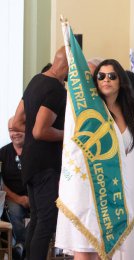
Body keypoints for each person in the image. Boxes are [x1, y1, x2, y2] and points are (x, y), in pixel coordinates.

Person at [55, 59, 134, 259]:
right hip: (92, 188)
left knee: (109, 252)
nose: (105, 80)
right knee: (86, 249)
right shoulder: (92, 112)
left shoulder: (132, 115)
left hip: (118, 191)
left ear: (121, 81)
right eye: (100, 76)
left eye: (111, 76)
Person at [12, 46, 68, 260]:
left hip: (29, 162)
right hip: (46, 164)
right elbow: (40, 130)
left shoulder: (36, 80)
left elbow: (16, 122)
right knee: (45, 221)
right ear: (68, 67)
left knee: (36, 219)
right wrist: (68, 134)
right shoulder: (56, 89)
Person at [0, 117, 29, 257]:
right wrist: (19, 199)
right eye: (11, 130)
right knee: (14, 211)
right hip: (13, 197)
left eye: (18, 129)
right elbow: (1, 184)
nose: (15, 133)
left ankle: (25, 245)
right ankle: (22, 245)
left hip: (37, 195)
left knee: (43, 215)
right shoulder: (2, 154)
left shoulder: (37, 151)